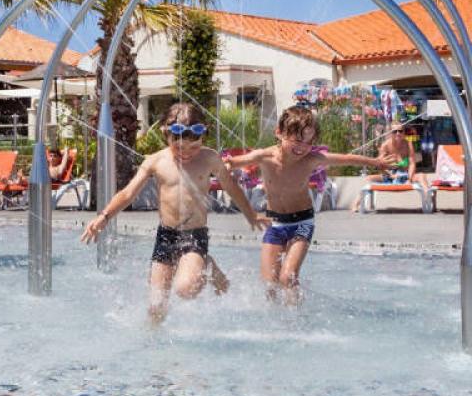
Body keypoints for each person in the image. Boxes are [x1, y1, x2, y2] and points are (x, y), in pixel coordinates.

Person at [81, 102, 269, 325]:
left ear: (203, 136)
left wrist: (251, 215)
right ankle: (154, 349)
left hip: (194, 235)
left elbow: (232, 188)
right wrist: (103, 217)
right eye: (179, 147)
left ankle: (207, 264)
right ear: (165, 134)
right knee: (156, 307)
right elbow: (128, 193)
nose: (186, 153)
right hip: (166, 235)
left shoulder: (209, 159)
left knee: (185, 290)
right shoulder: (155, 161)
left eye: (193, 146)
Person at [227, 106, 396, 303]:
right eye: (298, 140)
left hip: (302, 223)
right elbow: (238, 161)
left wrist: (376, 162)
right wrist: (227, 164)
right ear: (279, 133)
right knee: (269, 282)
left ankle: (296, 319)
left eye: (309, 142)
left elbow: (347, 158)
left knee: (287, 277)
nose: (302, 147)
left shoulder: (311, 159)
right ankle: (275, 322)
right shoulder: (264, 156)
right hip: (275, 224)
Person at [351, 121, 430, 212]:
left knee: (422, 176)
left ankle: (428, 199)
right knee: (369, 179)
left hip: (405, 175)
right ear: (390, 133)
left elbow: (412, 163)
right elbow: (379, 164)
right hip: (388, 176)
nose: (398, 133)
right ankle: (355, 204)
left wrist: (410, 177)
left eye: (400, 131)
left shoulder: (408, 144)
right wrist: (390, 175)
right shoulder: (385, 146)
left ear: (404, 132)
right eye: (394, 131)